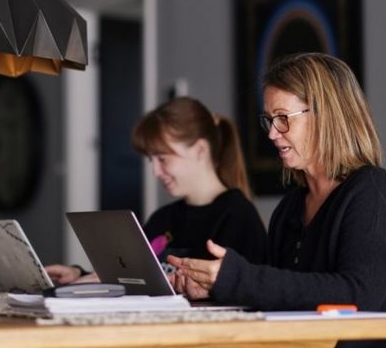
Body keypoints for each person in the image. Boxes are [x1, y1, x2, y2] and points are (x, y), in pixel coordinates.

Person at [167, 53, 386, 347]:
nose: (271, 133)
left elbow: (357, 295)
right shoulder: (290, 208)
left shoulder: (374, 192)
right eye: (269, 119)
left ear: (327, 116)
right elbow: (282, 296)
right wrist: (215, 289)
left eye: (282, 118)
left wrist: (238, 279)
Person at [46, 97, 267, 285]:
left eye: (162, 158)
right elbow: (131, 275)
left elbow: (247, 291)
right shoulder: (163, 219)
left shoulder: (238, 217)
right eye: (151, 160)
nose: (155, 171)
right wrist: (79, 274)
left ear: (200, 150)